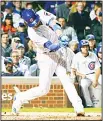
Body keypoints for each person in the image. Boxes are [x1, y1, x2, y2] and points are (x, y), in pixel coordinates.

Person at [12, 9, 84, 116]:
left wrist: (59, 34)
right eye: (33, 23)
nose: (36, 24)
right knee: (43, 89)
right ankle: (20, 98)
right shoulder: (32, 33)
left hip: (59, 54)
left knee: (67, 81)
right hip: (46, 57)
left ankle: (79, 107)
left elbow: (53, 23)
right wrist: (60, 44)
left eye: (36, 21)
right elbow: (51, 46)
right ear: (27, 23)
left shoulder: (40, 13)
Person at [71, 39, 101, 107]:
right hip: (84, 77)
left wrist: (96, 80)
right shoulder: (76, 56)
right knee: (83, 85)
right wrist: (81, 74)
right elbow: (73, 70)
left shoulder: (93, 55)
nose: (86, 48)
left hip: (94, 75)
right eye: (83, 47)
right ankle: (89, 104)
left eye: (87, 46)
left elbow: (98, 69)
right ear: (80, 48)